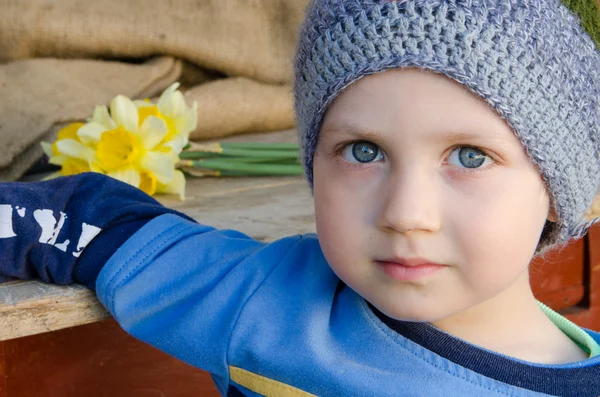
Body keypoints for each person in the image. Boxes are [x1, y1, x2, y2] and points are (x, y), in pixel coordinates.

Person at [2, 0, 600, 395]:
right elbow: (85, 227)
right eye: (363, 151)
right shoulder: (270, 303)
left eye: (470, 157)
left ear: (555, 187)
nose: (405, 214)